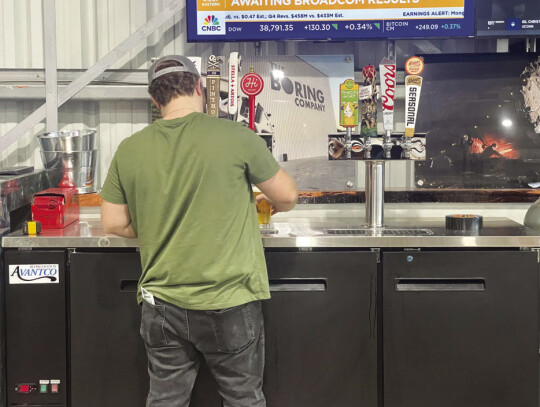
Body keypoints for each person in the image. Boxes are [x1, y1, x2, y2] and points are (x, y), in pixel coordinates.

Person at [100, 55, 298, 407]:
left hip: (161, 305)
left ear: (154, 99)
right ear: (198, 87)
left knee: (165, 399)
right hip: (230, 301)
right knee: (243, 398)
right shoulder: (235, 135)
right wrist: (263, 210)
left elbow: (113, 223)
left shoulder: (129, 149)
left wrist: (154, 225)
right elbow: (288, 196)